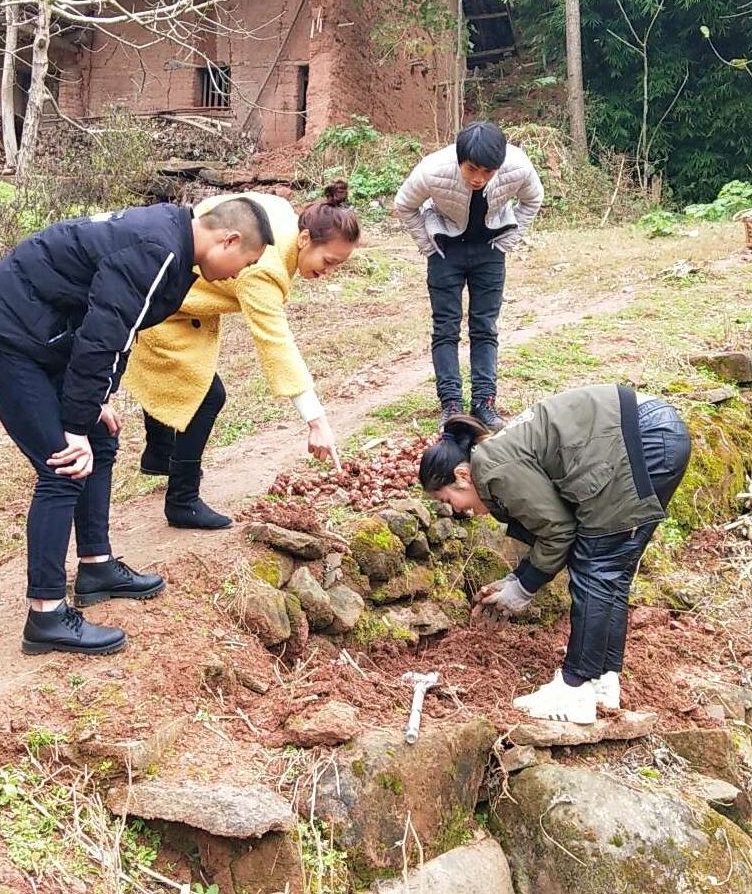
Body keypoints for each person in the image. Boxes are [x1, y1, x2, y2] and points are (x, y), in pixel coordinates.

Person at [0, 201, 270, 656]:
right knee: (64, 464)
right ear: (228, 240)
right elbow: (102, 338)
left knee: (101, 438)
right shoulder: (157, 250)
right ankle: (46, 616)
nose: (236, 276)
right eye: (244, 263)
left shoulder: (171, 240)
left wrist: (94, 406)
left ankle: (96, 566)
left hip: (40, 334)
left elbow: (120, 329)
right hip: (6, 340)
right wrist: (72, 426)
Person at [418, 384, 691, 725]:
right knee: (611, 571)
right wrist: (517, 580)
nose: (456, 511)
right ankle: (602, 679)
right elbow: (552, 521)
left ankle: (575, 688)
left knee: (596, 566)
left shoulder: (490, 467)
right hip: (652, 432)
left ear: (461, 476)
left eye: (447, 501)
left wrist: (524, 587)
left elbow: (560, 530)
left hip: (641, 436)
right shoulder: (496, 453)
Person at [124, 183, 363, 529]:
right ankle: (182, 499)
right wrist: (316, 421)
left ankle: (160, 453)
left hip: (177, 289)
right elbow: (276, 344)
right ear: (305, 238)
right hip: (165, 299)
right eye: (328, 261)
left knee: (183, 379)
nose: (328, 273)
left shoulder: (281, 213)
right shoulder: (263, 270)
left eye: (337, 266)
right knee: (207, 395)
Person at [394, 121, 544, 432]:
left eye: (487, 172)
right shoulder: (432, 169)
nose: (478, 178)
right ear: (459, 158)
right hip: (446, 250)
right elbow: (404, 204)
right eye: (471, 169)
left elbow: (533, 199)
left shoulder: (517, 166)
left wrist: (508, 241)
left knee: (484, 326)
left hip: (489, 249)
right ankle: (451, 405)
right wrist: (428, 245)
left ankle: (485, 402)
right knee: (446, 327)